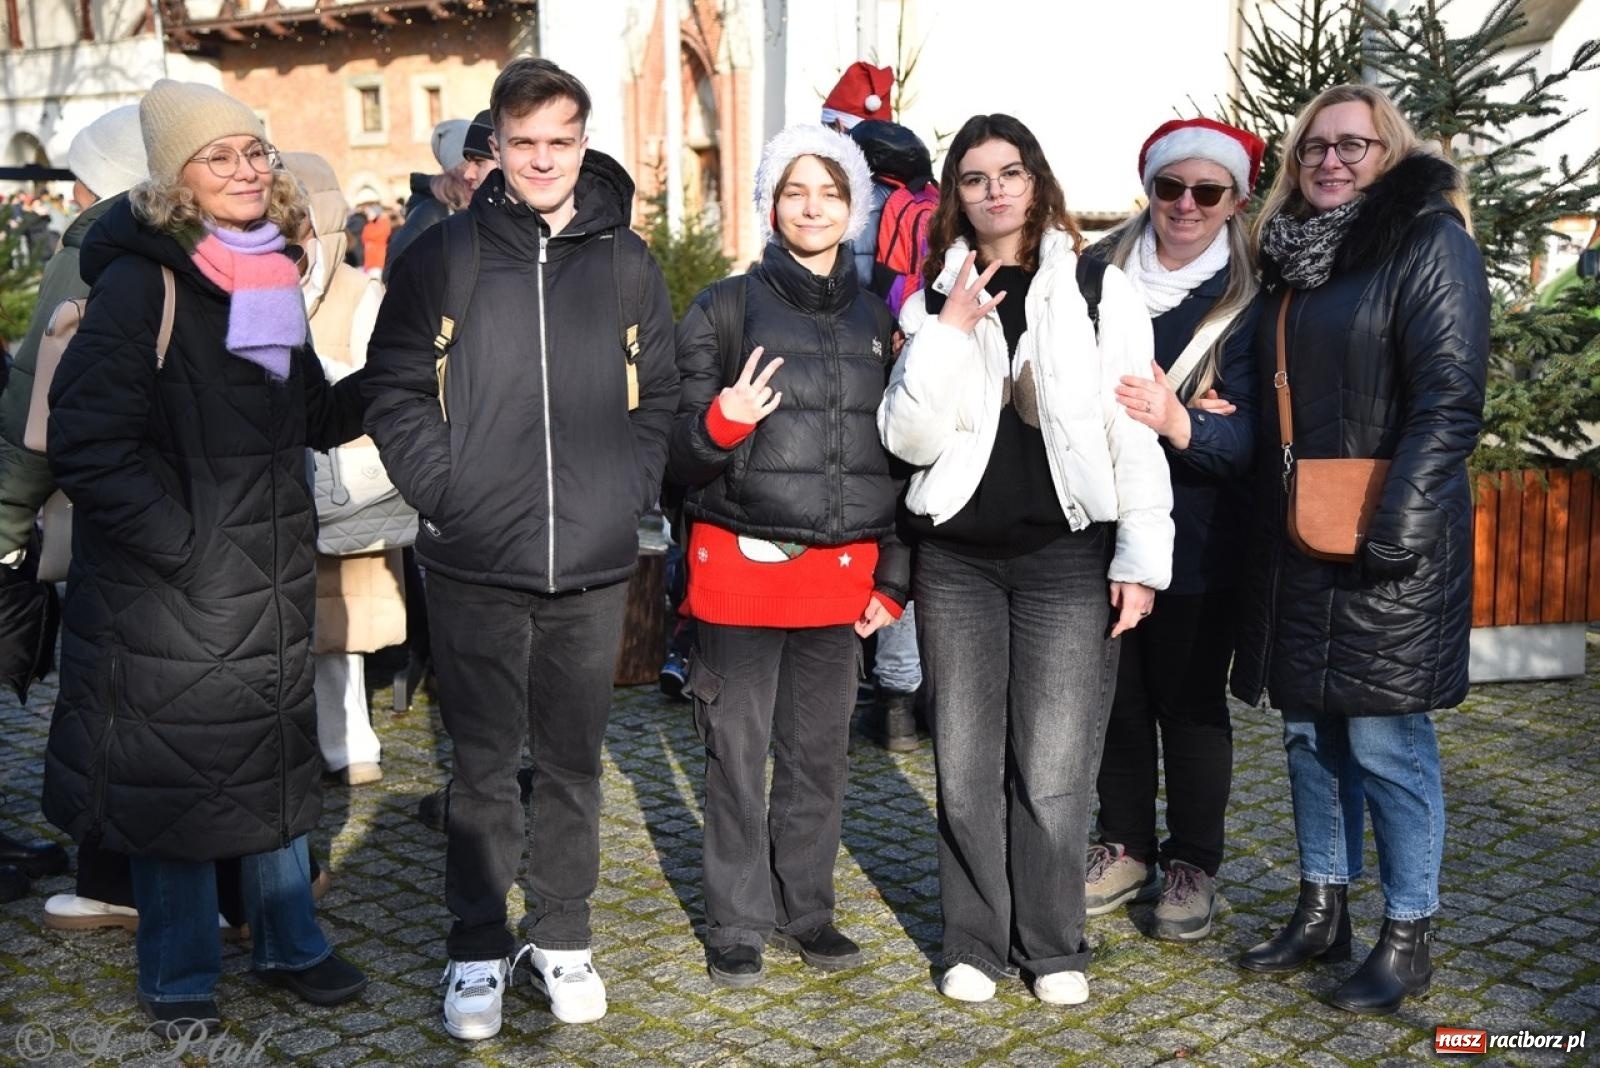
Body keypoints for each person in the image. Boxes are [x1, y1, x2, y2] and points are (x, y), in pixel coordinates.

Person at [40, 79, 370, 1035]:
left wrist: (392, 379)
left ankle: (287, 943)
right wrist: (185, 551)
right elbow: (88, 446)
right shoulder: (145, 282)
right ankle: (180, 971)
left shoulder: (265, 269)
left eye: (254, 152)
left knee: (269, 771)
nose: (244, 170)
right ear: (174, 179)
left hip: (261, 584)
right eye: (217, 156)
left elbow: (301, 414)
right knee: (174, 782)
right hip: (171, 591)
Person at [364, 57, 677, 1037]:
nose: (543, 159)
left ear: (582, 143)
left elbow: (658, 401)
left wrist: (621, 497)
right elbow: (394, 390)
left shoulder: (626, 263)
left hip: (589, 564)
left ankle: (564, 934)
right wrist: (447, 495)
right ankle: (474, 950)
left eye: (561, 141)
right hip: (471, 562)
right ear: (494, 147)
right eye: (524, 141)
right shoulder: (442, 257)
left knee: (576, 764)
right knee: (484, 764)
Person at [877, 113, 1172, 1007]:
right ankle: (972, 942)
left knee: (1053, 767)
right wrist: (948, 331)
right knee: (965, 763)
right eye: (974, 177)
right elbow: (907, 438)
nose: (995, 189)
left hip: (1066, 559)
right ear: (955, 196)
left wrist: (1141, 557)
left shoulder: (1096, 288)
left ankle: (1051, 946)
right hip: (958, 563)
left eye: (1010, 172)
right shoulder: (931, 296)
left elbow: (1135, 425)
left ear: (1036, 182)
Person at [1230, 84, 1489, 1016]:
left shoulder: (1428, 241)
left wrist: (1403, 522)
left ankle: (1408, 933)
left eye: (1353, 145)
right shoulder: (1293, 263)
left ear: (1390, 154)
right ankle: (1321, 907)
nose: (1330, 161)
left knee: (1386, 736)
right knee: (1308, 734)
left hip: (1388, 534)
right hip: (1301, 532)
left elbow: (1451, 395)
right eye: (1312, 149)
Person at [670, 124, 907, 989]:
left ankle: (806, 908)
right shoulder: (721, 307)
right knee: (735, 757)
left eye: (831, 192)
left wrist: (895, 576)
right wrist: (724, 419)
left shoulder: (881, 319)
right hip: (738, 571)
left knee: (819, 758)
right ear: (770, 203)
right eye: (795, 191)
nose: (813, 207)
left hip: (839, 581)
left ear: (853, 208)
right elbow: (675, 450)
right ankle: (737, 919)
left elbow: (901, 457)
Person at [1084, 117, 1264, 941]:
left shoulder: (1255, 299)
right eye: (1170, 187)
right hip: (1105, 522)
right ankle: (1124, 843)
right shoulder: (1098, 271)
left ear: (1237, 199)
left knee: (1188, 703)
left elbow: (1256, 434)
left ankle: (1193, 862)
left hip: (1200, 532)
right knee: (1117, 700)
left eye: (1207, 191)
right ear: (1148, 190)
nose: (1186, 205)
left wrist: (1185, 424)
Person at [283, 151, 403, 788]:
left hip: (339, 480)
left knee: (342, 626)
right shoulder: (256, 284)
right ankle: (299, 744)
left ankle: (351, 740)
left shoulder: (361, 291)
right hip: (278, 481)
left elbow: (378, 377)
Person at [846, 114, 938, 751]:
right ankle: (907, 704)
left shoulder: (847, 205)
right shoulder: (931, 208)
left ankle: (866, 695)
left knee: (859, 541)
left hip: (853, 390)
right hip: (919, 389)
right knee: (911, 542)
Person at [386, 117, 474, 282]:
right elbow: (395, 274)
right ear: (460, 169)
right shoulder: (430, 214)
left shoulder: (482, 204)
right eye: (475, 160)